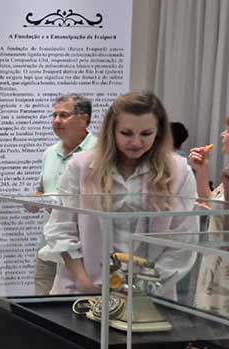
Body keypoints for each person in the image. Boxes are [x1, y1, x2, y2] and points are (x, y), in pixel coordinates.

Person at [40, 92, 198, 296]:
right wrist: (82, 280)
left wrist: (144, 285)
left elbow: (183, 239)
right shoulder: (80, 165)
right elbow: (62, 227)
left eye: (146, 134)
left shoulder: (180, 171)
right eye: (126, 133)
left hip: (148, 294)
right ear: (112, 131)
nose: (136, 142)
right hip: (82, 289)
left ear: (158, 132)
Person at [32, 94, 97, 295]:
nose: (56, 121)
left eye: (63, 115)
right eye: (54, 115)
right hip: (49, 247)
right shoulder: (49, 153)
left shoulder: (99, 153)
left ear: (83, 119)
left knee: (75, 310)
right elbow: (41, 188)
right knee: (41, 309)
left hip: (82, 253)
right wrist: (36, 200)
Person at [187, 114, 229, 316]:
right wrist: (202, 170)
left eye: (228, 130)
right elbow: (211, 202)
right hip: (215, 260)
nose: (223, 134)